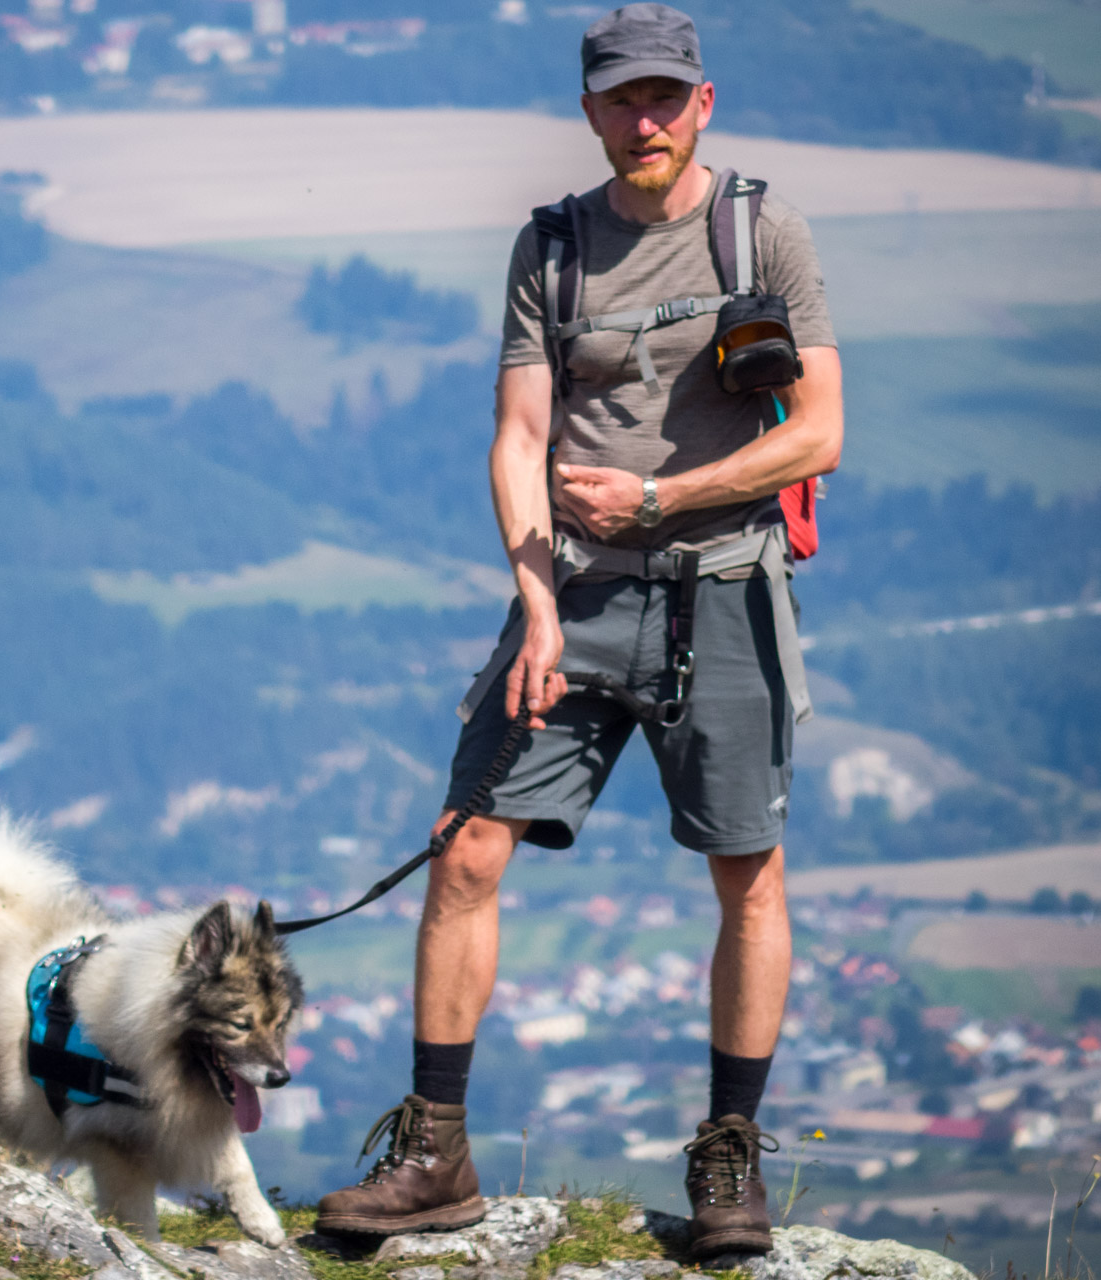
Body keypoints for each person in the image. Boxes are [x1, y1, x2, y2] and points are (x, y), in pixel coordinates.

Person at [314, 2, 844, 1255]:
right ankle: (435, 1152)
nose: (644, 118)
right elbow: (517, 436)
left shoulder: (761, 231)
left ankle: (729, 1160)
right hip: (580, 590)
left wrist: (662, 494)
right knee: (467, 849)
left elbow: (819, 433)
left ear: (702, 103)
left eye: (665, 96)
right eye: (621, 98)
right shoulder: (551, 247)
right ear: (590, 108)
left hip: (723, 584)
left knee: (747, 869)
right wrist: (538, 602)